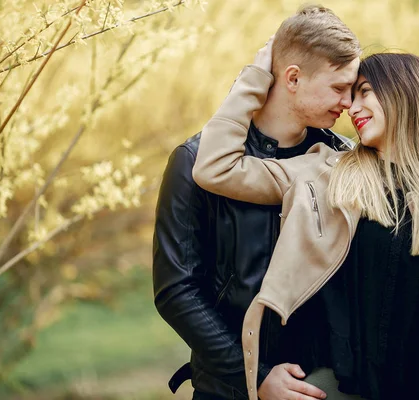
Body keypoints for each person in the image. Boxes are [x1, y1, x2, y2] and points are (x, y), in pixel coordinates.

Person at [192, 41, 419, 400]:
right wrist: (256, 77)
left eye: (364, 93)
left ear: (407, 95)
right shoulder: (325, 173)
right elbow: (216, 168)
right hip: (337, 389)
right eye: (348, 94)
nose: (351, 107)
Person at [153, 5, 361, 399]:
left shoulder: (342, 160)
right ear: (293, 78)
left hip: (323, 387)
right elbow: (176, 291)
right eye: (338, 88)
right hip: (227, 390)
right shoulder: (193, 161)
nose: (349, 102)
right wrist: (256, 376)